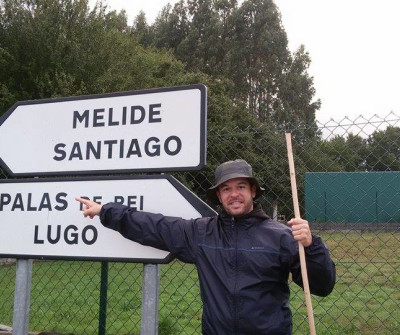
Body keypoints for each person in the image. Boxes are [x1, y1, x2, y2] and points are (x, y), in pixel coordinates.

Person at [76, 159, 336, 334]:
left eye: (240, 187)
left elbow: (322, 286)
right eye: (226, 189)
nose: (234, 194)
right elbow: (153, 226)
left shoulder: (282, 236)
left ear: (253, 191)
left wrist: (311, 246)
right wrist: (104, 211)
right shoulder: (202, 233)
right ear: (219, 196)